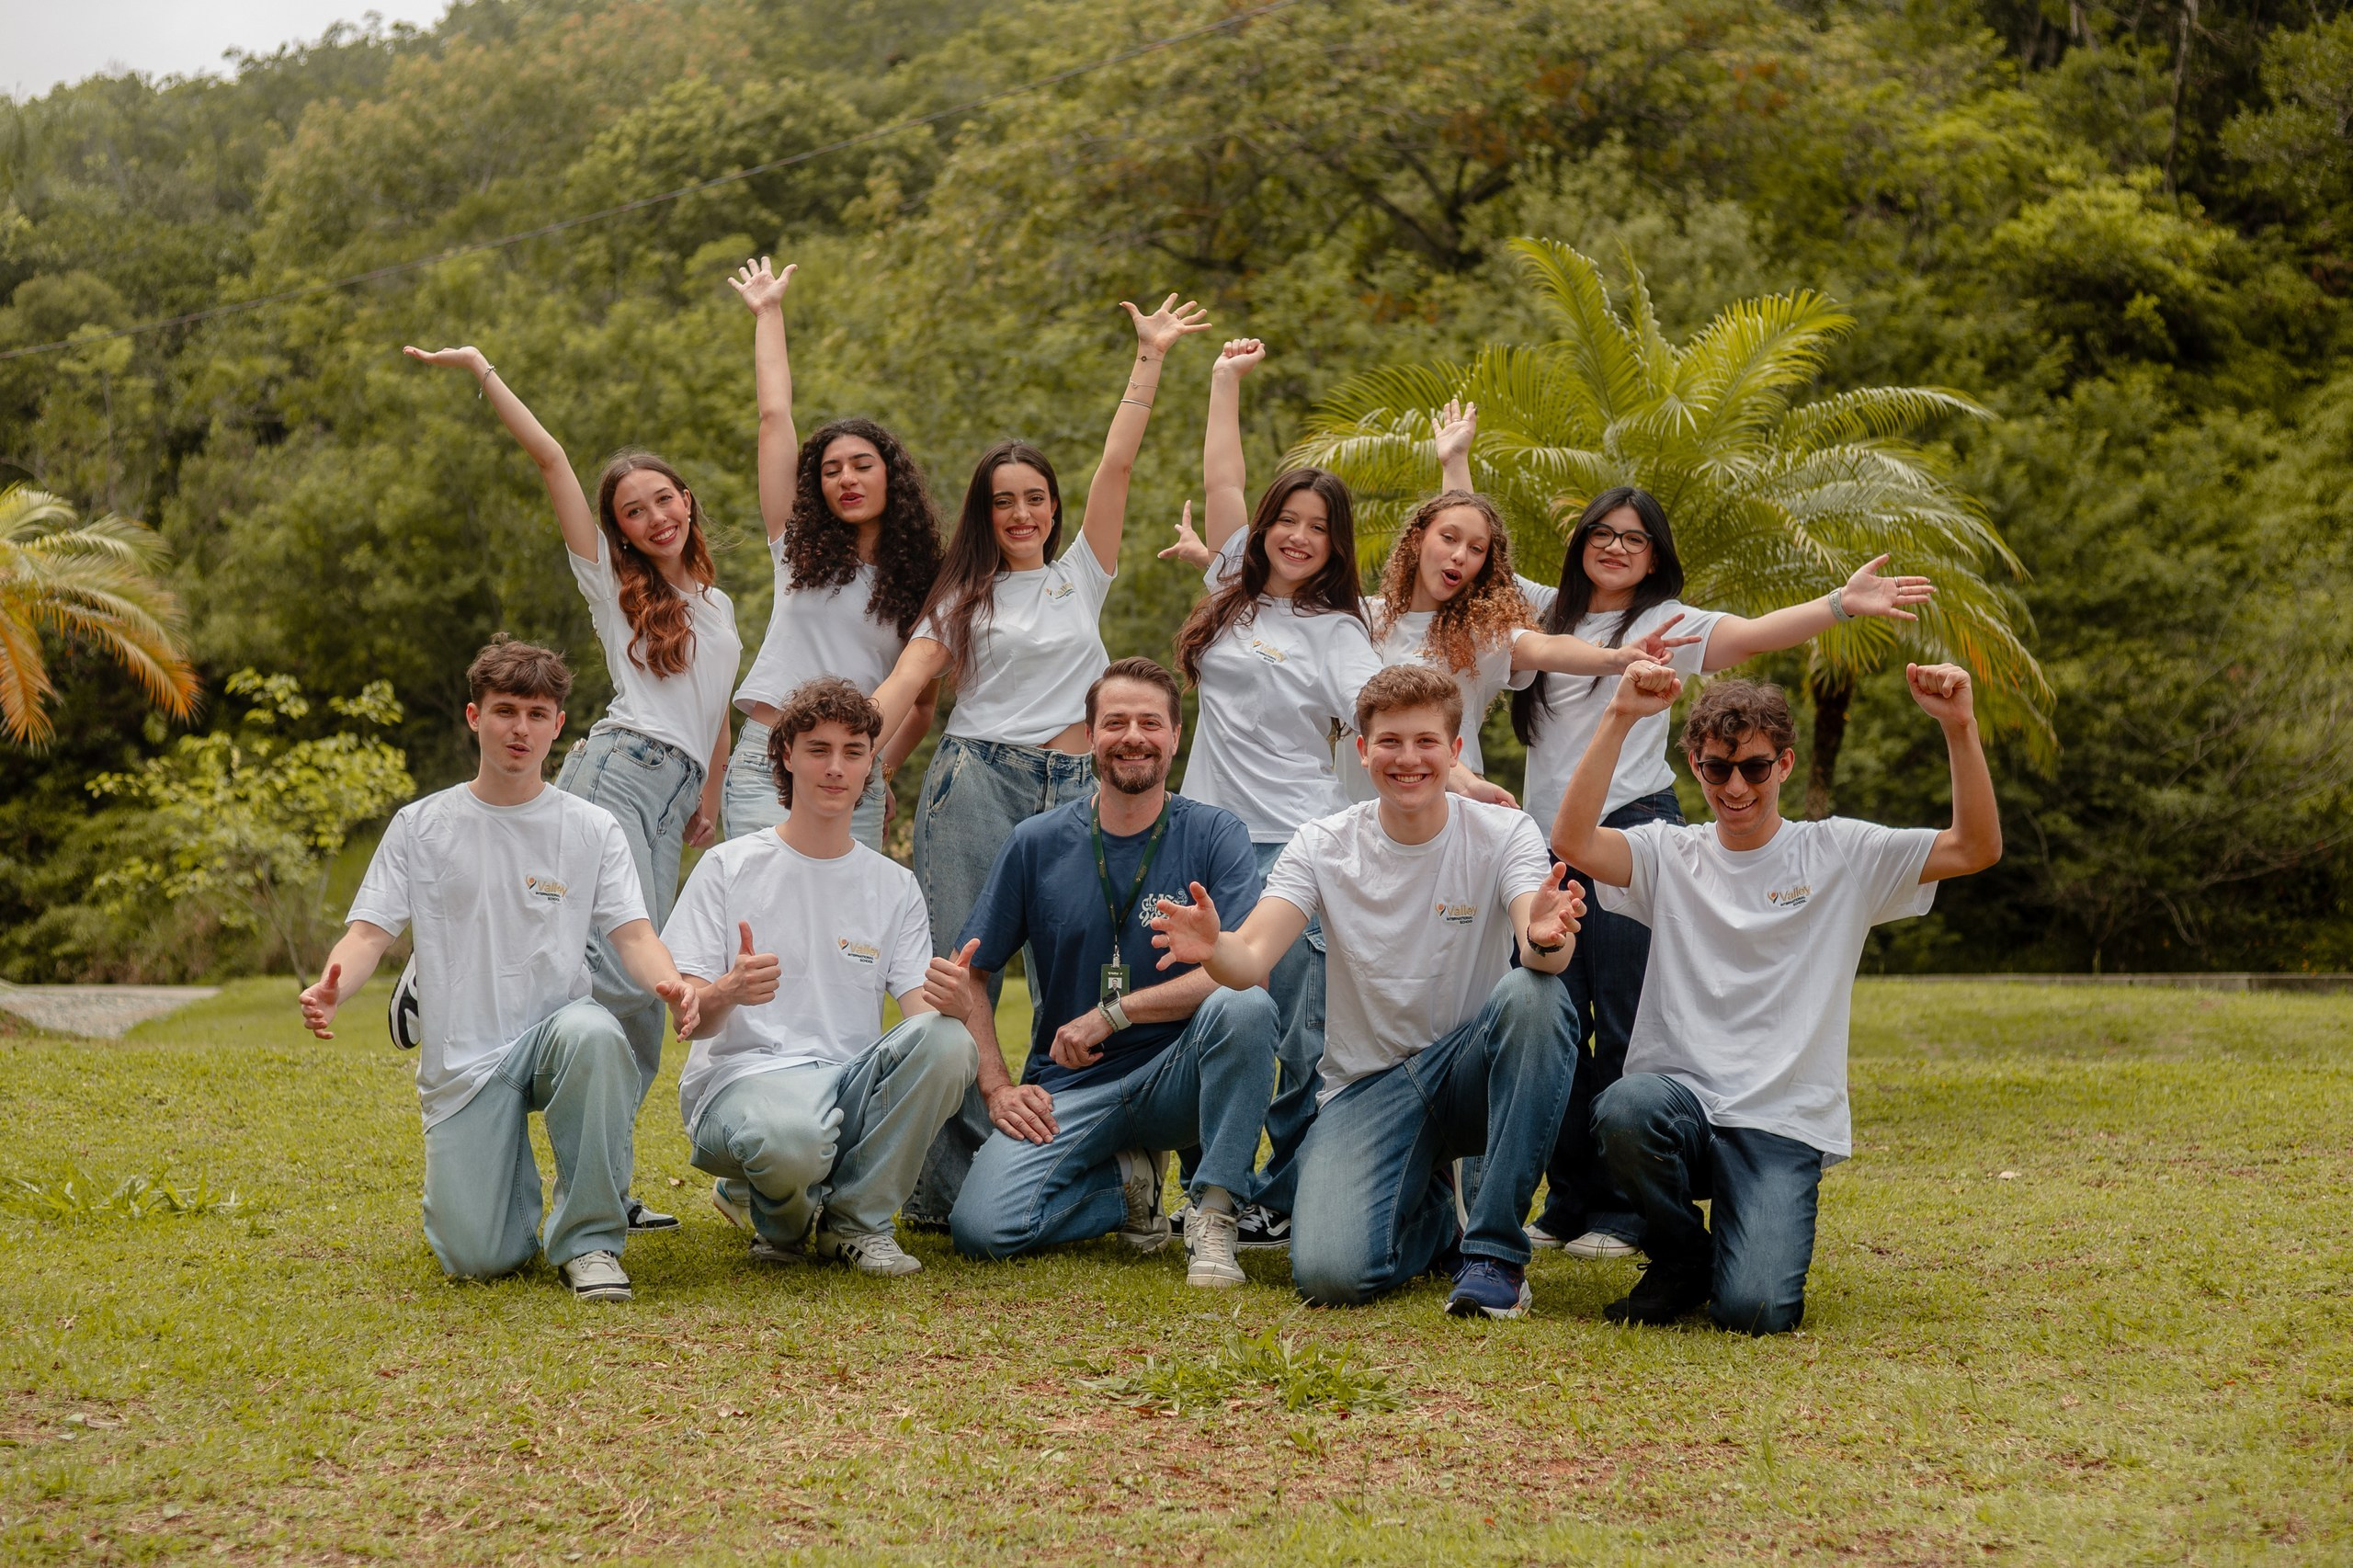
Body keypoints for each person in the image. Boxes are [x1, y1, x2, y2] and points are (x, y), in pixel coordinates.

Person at [1512, 485, 1935, 1262]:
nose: (1615, 548)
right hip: (1545, 843)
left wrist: (1839, 604)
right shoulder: (1544, 613)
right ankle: (1569, 1198)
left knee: (1626, 1020)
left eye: (1635, 539)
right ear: (1578, 543)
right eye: (1601, 534)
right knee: (1555, 1022)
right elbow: (1459, 553)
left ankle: (1622, 1212)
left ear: (1657, 554)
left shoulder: (1665, 623)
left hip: (1634, 828)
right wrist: (1455, 462)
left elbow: (1752, 636)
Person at [866, 292, 1212, 1224]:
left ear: (1052, 506)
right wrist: (859, 733)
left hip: (1080, 792)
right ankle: (947, 1193)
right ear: (985, 510)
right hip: (979, 780)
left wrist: (1149, 357)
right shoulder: (963, 594)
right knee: (958, 971)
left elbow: (1120, 460)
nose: (1020, 510)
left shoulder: (1080, 574)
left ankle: (1101, 1158)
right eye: (1002, 499)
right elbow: (910, 675)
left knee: (1105, 973)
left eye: (1033, 496)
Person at [404, 342, 745, 1233]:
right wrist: (483, 370)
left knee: (639, 999)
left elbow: (714, 714)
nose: (653, 515)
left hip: (669, 797)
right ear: (620, 530)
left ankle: (608, 1186)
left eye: (663, 498)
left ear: (687, 501)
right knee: (622, 981)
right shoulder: (615, 587)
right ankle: (431, 972)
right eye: (633, 510)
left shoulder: (719, 605)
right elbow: (553, 457)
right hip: (620, 770)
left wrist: (707, 795)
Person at [1552, 661, 2001, 1333]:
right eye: (1716, 770)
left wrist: (1960, 727)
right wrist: (1619, 714)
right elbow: (1573, 841)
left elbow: (1975, 848)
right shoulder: (1669, 853)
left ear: (1785, 765)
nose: (1736, 787)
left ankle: (1731, 1246)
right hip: (1680, 1104)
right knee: (1624, 1106)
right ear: (1696, 769)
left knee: (1755, 1311)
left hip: (1780, 1120)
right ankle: (1681, 1253)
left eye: (1755, 768)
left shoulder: (1840, 852)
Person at [1153, 665, 1588, 1320]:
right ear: (1361, 750)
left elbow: (1539, 945)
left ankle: (1494, 1253)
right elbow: (1250, 958)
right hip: (1366, 1088)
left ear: (1455, 751)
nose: (1407, 759)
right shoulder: (1322, 843)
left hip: (1471, 1070)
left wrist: (1549, 936)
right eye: (1388, 742)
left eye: (1425, 742)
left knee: (1537, 995)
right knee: (1331, 1276)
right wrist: (1215, 946)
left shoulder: (1505, 834)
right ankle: (1439, 1219)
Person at [298, 640, 702, 1302]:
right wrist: (333, 982)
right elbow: (368, 931)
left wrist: (672, 980)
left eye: (537, 714)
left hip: (555, 1035)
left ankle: (591, 1241)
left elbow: (633, 934)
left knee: (596, 1033)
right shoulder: (422, 825)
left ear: (558, 727)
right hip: (467, 1057)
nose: (520, 729)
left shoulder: (591, 828)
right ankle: (492, 1191)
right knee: (478, 1259)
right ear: (473, 716)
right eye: (505, 711)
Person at [925, 658, 1278, 1289]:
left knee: (1245, 1007)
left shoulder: (1215, 833)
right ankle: (1128, 1187)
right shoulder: (1036, 842)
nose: (1133, 736)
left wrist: (1117, 1012)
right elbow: (970, 974)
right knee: (981, 1229)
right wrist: (998, 1088)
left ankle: (1215, 1212)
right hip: (1072, 1085)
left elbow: (1246, 975)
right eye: (1115, 722)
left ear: (1175, 737)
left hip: (1180, 1079)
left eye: (1150, 722)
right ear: (1089, 737)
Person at [1168, 335, 1383, 1253]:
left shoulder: (1336, 630)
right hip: (1207, 838)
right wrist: (1222, 382)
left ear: (1335, 546)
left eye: (1318, 527)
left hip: (1294, 845)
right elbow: (1224, 479)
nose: (1298, 535)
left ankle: (1284, 1190)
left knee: (1299, 1031)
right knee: (1206, 1011)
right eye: (1286, 518)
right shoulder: (1230, 586)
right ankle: (1204, 1186)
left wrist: (1457, 782)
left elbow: (1384, 721)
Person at [664, 677, 976, 1278]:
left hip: (844, 1088)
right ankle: (777, 1214)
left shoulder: (892, 886)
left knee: (951, 1043)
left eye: (853, 752)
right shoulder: (728, 867)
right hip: (742, 1083)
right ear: (786, 756)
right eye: (818, 749)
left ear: (869, 767)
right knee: (792, 1138)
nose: (835, 768)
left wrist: (954, 1006)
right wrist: (727, 989)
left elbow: (922, 1030)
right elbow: (688, 1012)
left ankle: (854, 1225)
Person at [719, 257, 942, 850]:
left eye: (862, 466)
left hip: (854, 780)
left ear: (891, 478)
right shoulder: (797, 550)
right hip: (768, 765)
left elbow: (920, 707)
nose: (846, 478)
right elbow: (774, 418)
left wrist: (881, 768)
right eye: (831, 470)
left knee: (842, 934)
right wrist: (769, 314)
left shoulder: (921, 586)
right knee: (757, 924)